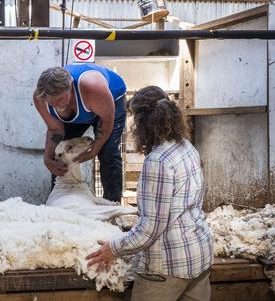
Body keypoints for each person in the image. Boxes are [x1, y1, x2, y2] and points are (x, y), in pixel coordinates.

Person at [86, 86, 214, 301]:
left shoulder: (158, 161)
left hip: (167, 266)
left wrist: (114, 249)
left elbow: (150, 229)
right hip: (198, 255)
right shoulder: (186, 147)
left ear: (143, 121)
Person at [33, 64, 127, 202]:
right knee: (61, 154)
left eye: (60, 100)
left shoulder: (92, 86)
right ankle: (61, 200)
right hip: (85, 106)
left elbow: (106, 121)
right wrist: (47, 159)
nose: (57, 107)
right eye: (52, 103)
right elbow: (55, 130)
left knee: (108, 152)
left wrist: (93, 151)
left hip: (110, 102)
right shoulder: (40, 98)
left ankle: (113, 204)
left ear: (70, 87)